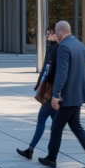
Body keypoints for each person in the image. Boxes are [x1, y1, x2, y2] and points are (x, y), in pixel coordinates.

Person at [37, 20, 85, 168]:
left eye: (55, 32)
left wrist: (56, 94)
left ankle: (51, 158)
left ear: (60, 32)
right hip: (78, 94)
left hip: (67, 96)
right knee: (76, 126)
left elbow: (62, 73)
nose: (55, 36)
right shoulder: (80, 45)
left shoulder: (64, 47)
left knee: (57, 127)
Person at [17, 28, 60, 160]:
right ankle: (43, 152)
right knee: (56, 124)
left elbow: (53, 71)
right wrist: (38, 84)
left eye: (50, 34)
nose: (48, 36)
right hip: (48, 90)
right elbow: (45, 69)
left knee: (43, 120)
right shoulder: (52, 47)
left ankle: (33, 150)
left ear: (56, 34)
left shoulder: (57, 48)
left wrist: (54, 93)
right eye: (46, 34)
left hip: (51, 92)